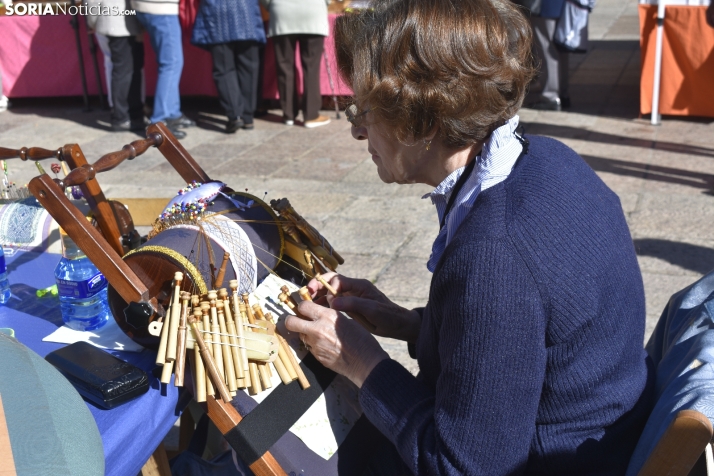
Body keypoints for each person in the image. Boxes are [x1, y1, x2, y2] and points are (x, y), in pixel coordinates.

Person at [284, 0, 654, 474]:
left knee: (273, 446)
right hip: (602, 436)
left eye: (364, 109)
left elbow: (466, 464)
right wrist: (412, 324)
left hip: (560, 463)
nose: (356, 130)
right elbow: (522, 342)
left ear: (422, 118)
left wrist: (362, 362)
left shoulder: (494, 255)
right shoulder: (547, 158)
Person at [191, 0, 266, 133]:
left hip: (218, 16)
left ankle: (235, 116)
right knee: (249, 68)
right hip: (246, 14)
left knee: (224, 70)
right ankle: (248, 117)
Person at [261, 0, 331, 128]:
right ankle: (311, 115)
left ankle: (288, 114)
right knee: (311, 68)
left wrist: (271, 4)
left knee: (284, 66)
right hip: (313, 9)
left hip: (282, 10)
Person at [132, 0, 195, 138]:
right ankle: (159, 122)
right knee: (171, 63)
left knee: (168, 63)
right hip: (160, 7)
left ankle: (172, 113)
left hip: (148, 7)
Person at [86, 0, 146, 132]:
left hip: (127, 24)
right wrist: (93, 21)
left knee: (132, 71)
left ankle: (133, 115)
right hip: (116, 24)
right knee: (123, 72)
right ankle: (121, 117)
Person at [526, 0, 571, 110]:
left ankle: (550, 96)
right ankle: (562, 93)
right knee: (560, 50)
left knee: (546, 49)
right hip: (562, 5)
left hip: (543, 6)